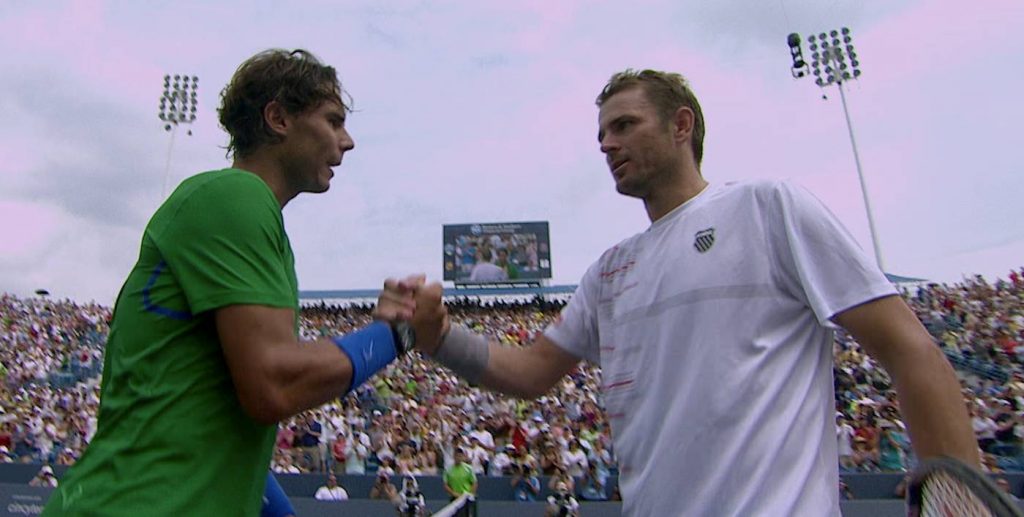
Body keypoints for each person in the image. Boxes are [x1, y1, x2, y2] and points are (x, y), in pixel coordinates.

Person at [386, 68, 980, 516]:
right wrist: (436, 334)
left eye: (624, 126)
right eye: (601, 133)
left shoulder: (768, 207)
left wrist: (955, 487)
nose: (606, 145)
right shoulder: (609, 270)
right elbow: (529, 373)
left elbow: (909, 347)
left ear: (681, 126)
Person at [41, 48, 438, 516]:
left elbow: (221, 432)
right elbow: (272, 384)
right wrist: (400, 333)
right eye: (333, 121)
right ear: (278, 118)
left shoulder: (254, 221)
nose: (346, 141)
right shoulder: (236, 195)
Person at [443, 447, 478, 517]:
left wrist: (469, 495)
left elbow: (474, 483)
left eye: (460, 456)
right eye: (457, 456)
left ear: (463, 457)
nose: (458, 458)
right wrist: (454, 493)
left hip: (466, 499)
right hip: (454, 498)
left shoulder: (468, 469)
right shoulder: (448, 469)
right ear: (454, 456)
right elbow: (446, 485)